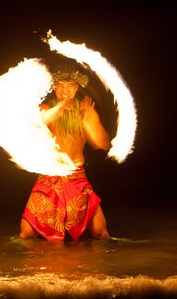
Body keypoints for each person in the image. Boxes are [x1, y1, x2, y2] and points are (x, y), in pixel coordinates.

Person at [20, 67, 113, 241]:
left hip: (76, 178)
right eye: (61, 86)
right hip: (48, 178)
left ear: (77, 87)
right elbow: (34, 125)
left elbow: (103, 144)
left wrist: (88, 122)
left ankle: (102, 266)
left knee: (102, 233)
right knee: (25, 235)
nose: (65, 90)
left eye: (70, 86)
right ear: (54, 87)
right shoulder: (46, 108)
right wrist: (59, 108)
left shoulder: (85, 111)